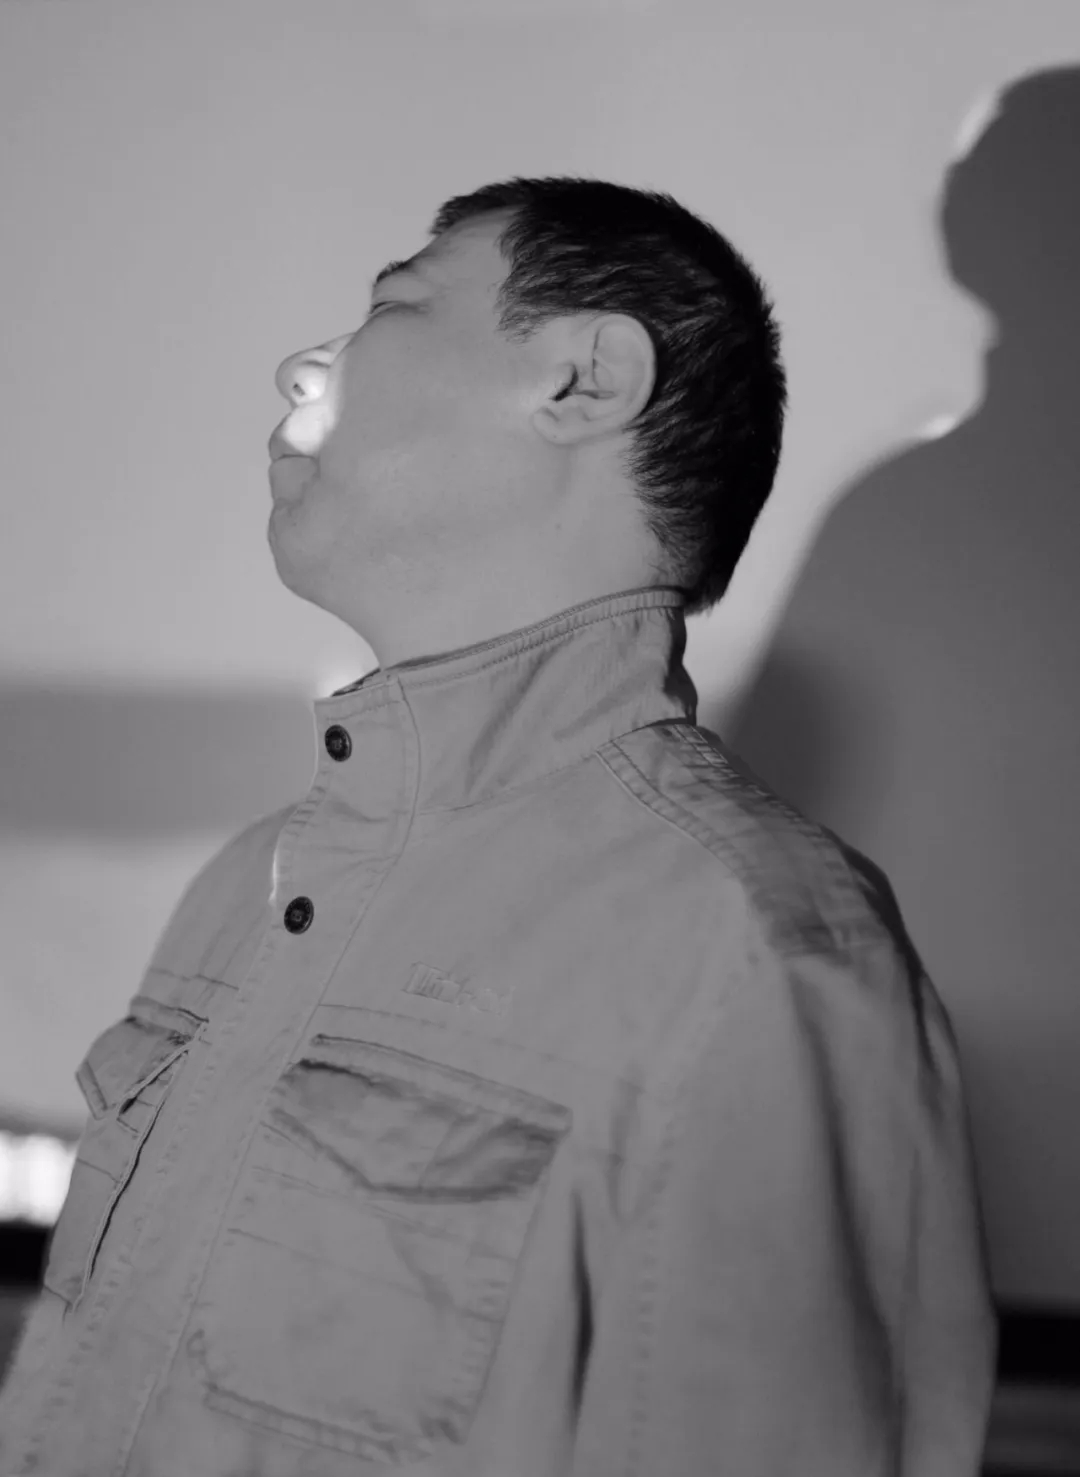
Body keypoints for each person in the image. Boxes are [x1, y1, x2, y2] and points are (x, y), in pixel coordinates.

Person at [0, 175, 996, 1476]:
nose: (303, 367)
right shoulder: (246, 883)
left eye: (394, 307)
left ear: (587, 376)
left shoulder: (753, 947)